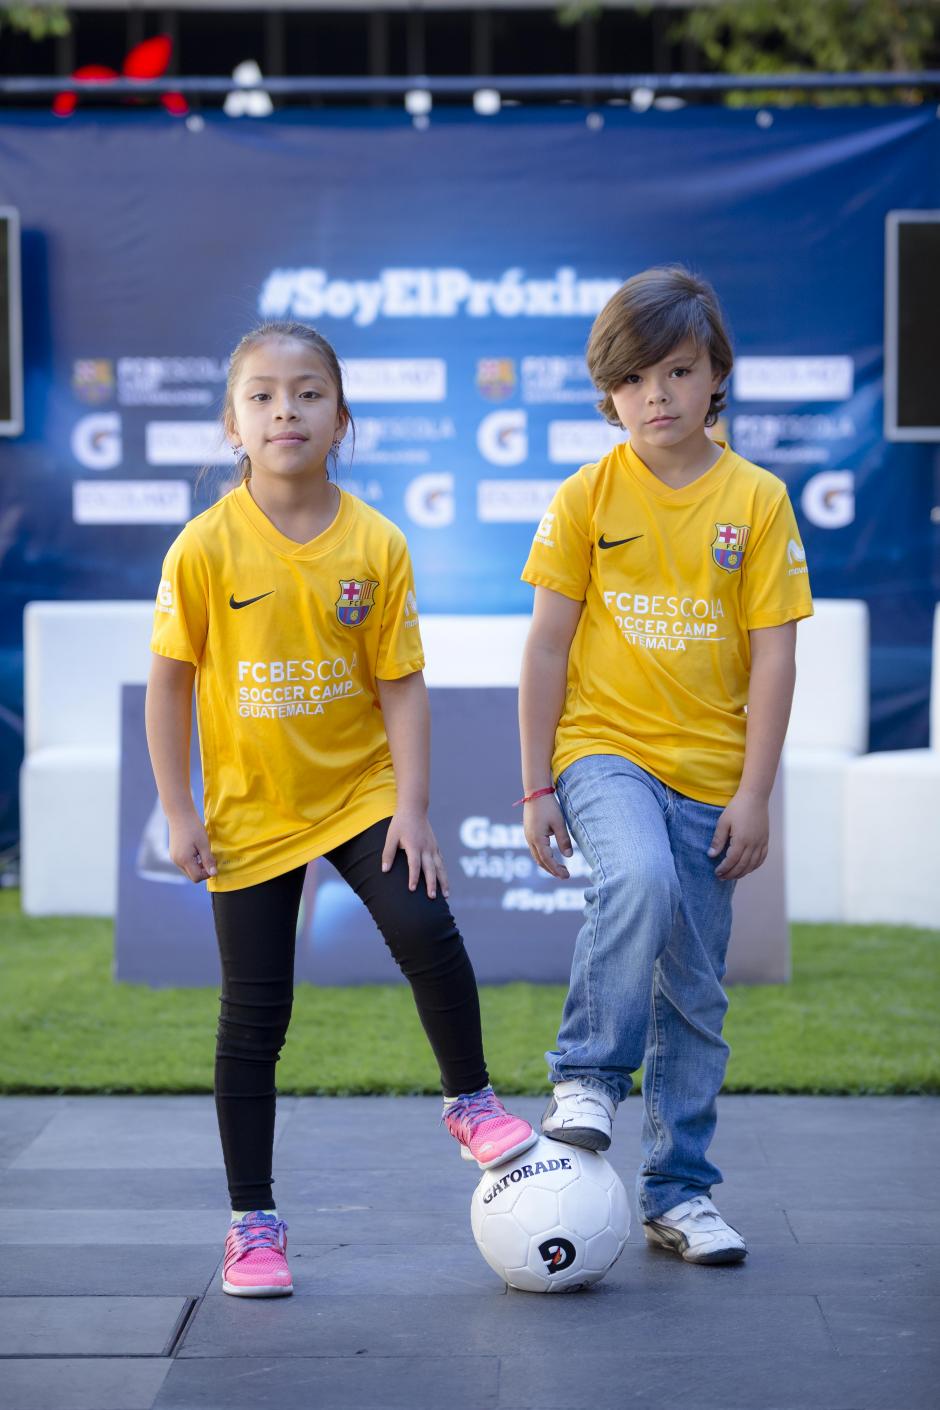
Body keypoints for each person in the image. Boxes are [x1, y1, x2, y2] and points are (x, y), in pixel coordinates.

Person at [146, 320, 535, 1298]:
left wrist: (412, 808)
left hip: (361, 794)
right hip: (249, 812)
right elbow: (169, 685)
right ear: (234, 425)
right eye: (264, 395)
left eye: (308, 393)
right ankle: (253, 1224)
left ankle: (471, 1102)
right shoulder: (203, 548)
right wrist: (177, 810)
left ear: (342, 417)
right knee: (253, 1017)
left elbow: (401, 684)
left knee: (424, 922)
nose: (287, 410)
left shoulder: (376, 542)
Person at [518, 266, 813, 1265]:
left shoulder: (759, 500)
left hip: (714, 775)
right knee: (633, 876)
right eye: (635, 377)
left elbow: (774, 652)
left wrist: (753, 792)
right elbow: (547, 647)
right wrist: (532, 784)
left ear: (715, 375)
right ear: (607, 390)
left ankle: (679, 1195)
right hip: (604, 754)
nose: (657, 395)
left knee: (695, 995)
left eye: (678, 371)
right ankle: (586, 1075)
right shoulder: (584, 496)